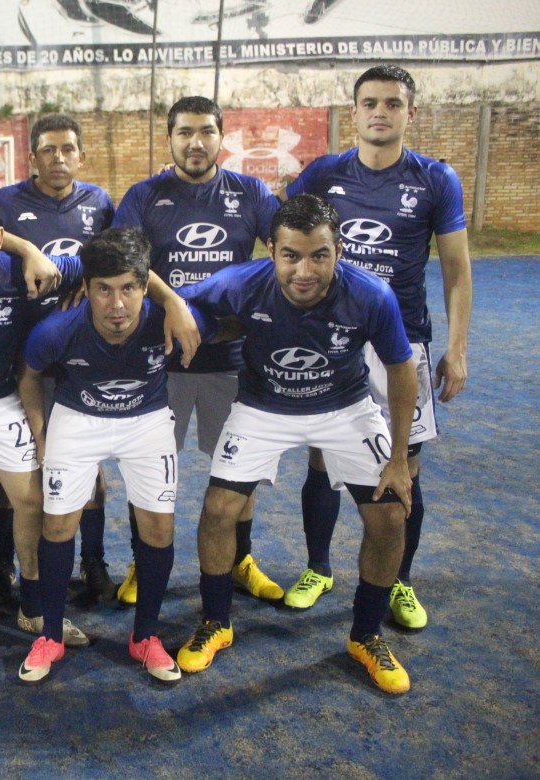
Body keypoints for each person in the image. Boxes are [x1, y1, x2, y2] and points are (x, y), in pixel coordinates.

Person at [0, 186, 198, 678]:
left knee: (32, 500)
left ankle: (34, 611)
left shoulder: (27, 270)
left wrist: (172, 299)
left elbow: (121, 267)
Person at [175, 194, 417, 695]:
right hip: (263, 407)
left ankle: (366, 634)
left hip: (345, 408)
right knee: (218, 509)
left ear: (339, 251)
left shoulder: (371, 295)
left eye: (319, 256)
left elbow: (400, 368)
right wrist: (194, 322)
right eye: (291, 256)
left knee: (391, 514)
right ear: (271, 251)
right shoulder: (241, 282)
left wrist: (398, 459)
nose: (304, 271)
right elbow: (180, 302)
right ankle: (216, 621)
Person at [283, 65, 471, 627]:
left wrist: (457, 348)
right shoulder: (324, 173)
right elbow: (282, 234)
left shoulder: (436, 179)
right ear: (355, 111)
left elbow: (457, 271)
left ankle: (399, 581)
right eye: (370, 103)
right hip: (331, 339)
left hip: (401, 343)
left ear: (411, 112)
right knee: (323, 457)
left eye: (392, 103)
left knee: (404, 465)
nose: (380, 112)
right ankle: (318, 568)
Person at [16, 227, 215, 684]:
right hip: (77, 419)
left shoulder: (173, 318)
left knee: (159, 527)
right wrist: (41, 434)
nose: (117, 304)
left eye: (128, 288)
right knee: (57, 525)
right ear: (86, 289)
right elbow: (29, 374)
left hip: (147, 422)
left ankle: (145, 637)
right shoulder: (56, 330)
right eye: (103, 290)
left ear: (146, 286)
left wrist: (177, 304)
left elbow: (232, 326)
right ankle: (50, 636)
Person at [112, 96, 283, 607]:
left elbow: (286, 251)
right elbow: (123, 262)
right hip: (158, 361)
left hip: (230, 360)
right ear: (169, 138)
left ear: (221, 137)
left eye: (206, 131)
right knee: (147, 468)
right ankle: (142, 562)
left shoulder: (251, 192)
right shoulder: (144, 196)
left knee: (239, 470)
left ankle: (240, 560)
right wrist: (173, 304)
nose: (196, 142)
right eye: (185, 132)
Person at [0, 113, 117, 604]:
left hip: (83, 355)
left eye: (67, 149)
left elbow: (113, 260)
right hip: (21, 350)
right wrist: (27, 250)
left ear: (81, 156)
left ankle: (93, 561)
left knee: (91, 464)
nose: (58, 158)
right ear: (32, 157)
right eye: (48, 149)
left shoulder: (99, 203)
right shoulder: (7, 201)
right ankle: (2, 561)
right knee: (17, 465)